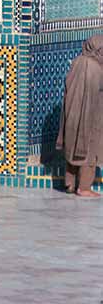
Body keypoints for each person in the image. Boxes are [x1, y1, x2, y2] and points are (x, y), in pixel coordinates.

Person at [56, 33, 103, 197]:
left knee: (72, 145)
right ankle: (84, 187)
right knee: (89, 148)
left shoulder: (76, 62)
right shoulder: (96, 68)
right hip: (89, 117)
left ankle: (69, 183)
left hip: (72, 115)